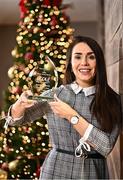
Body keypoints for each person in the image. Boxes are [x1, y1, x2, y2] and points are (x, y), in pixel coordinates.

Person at [5, 36, 122, 179]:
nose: (84, 63)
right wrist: (19, 105)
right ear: (70, 63)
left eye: (91, 57)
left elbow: (106, 146)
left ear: (99, 63)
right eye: (78, 57)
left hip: (92, 173)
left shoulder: (113, 100)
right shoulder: (56, 94)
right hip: (55, 170)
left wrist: (72, 116)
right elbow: (16, 120)